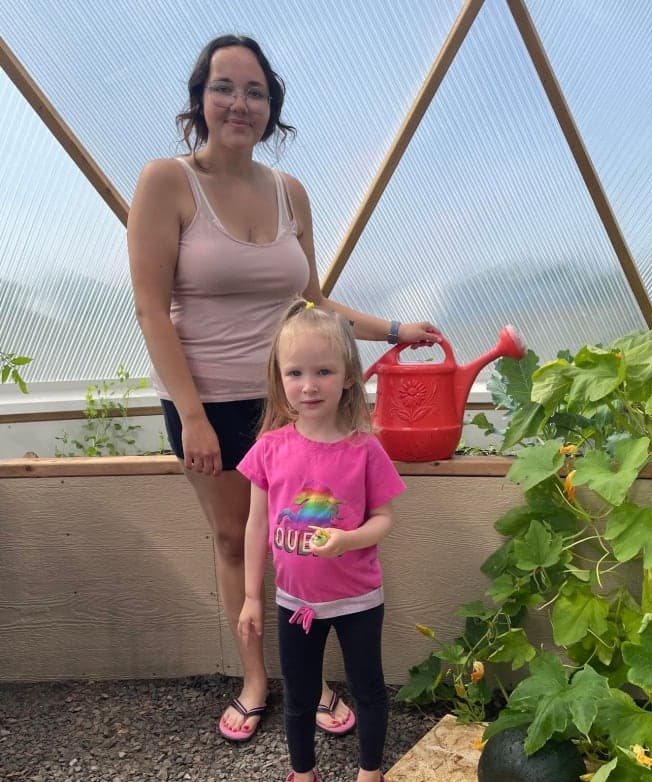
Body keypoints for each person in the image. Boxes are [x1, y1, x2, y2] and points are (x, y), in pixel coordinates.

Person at [126, 34, 440, 742]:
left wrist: (394, 329)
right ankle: (255, 677)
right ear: (199, 100)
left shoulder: (289, 192)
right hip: (205, 404)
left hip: (289, 407)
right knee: (236, 538)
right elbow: (150, 308)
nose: (240, 103)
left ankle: (311, 677)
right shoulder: (166, 182)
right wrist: (192, 414)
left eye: (256, 91)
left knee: (298, 537)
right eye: (224, 87)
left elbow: (314, 306)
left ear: (273, 109)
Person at [237, 300, 404, 782]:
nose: (309, 385)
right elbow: (256, 526)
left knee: (368, 689)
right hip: (295, 603)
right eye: (295, 372)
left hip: (358, 600)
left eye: (323, 371)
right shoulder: (269, 449)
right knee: (301, 692)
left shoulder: (365, 452)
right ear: (279, 378)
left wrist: (348, 540)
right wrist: (251, 599)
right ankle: (302, 778)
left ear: (349, 378)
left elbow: (383, 520)